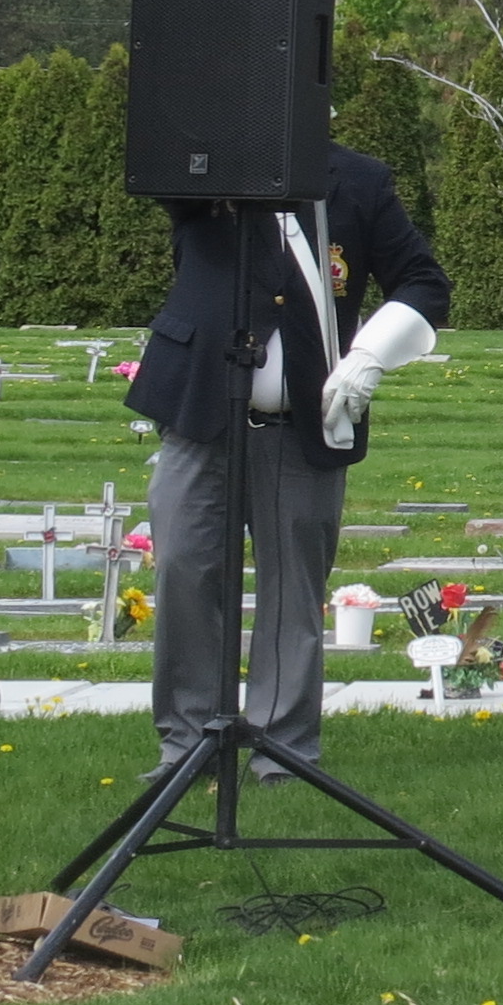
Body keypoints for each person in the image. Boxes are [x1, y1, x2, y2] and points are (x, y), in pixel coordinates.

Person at [123, 142, 450, 779]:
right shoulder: (204, 162)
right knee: (185, 571)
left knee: (293, 591)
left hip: (304, 418)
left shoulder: (358, 178)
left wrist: (370, 354)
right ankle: (187, 745)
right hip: (200, 413)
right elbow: (162, 168)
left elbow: (422, 281)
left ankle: (283, 749)